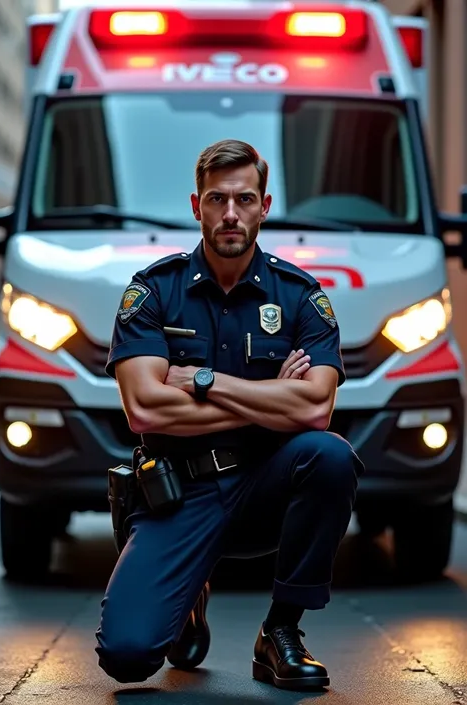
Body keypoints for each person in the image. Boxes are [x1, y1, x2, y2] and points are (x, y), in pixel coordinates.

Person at [95, 138, 364, 691]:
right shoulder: (154, 291)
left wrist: (199, 381)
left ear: (265, 206)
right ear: (197, 207)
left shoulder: (299, 297)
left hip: (264, 486)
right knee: (126, 657)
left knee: (330, 455)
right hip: (179, 495)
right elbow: (143, 407)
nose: (231, 214)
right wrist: (269, 401)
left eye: (245, 200)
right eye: (217, 200)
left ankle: (281, 632)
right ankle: (189, 597)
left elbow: (315, 407)